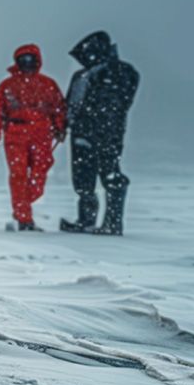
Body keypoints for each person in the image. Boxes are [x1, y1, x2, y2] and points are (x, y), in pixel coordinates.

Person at [60, 31, 139, 235]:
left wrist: (97, 117)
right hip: (82, 133)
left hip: (106, 133)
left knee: (110, 174)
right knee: (83, 179)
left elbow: (122, 101)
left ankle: (112, 223)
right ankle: (86, 220)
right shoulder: (81, 76)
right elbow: (70, 104)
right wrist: (64, 124)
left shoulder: (121, 72)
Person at [0, 43, 67, 231]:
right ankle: (24, 218)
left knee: (39, 175)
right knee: (18, 175)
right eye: (23, 60)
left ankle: (23, 202)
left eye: (30, 59)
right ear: (17, 62)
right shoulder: (6, 86)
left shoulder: (48, 84)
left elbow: (58, 108)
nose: (27, 63)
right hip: (15, 134)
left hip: (42, 135)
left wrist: (60, 127)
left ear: (37, 60)